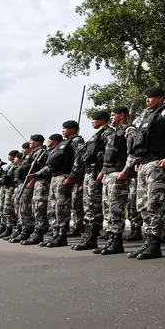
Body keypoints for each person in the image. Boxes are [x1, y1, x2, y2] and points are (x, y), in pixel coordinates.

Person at [122, 87, 165, 260]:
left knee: (154, 204)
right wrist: (135, 163)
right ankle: (147, 241)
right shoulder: (147, 117)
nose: (147, 100)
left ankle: (155, 244)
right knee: (142, 205)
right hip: (143, 164)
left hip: (157, 162)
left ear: (161, 97)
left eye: (151, 97)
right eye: (146, 97)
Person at [97, 106, 134, 255]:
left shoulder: (129, 130)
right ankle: (111, 239)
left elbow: (133, 152)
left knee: (116, 208)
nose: (111, 118)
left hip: (118, 174)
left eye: (113, 115)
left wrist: (125, 171)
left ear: (122, 115)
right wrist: (103, 172)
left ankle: (117, 241)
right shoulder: (112, 133)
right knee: (108, 209)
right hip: (108, 174)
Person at [72, 110, 110, 251]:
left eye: (96, 119)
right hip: (88, 173)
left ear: (102, 120)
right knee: (88, 206)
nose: (93, 121)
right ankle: (88, 236)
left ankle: (91, 238)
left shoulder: (107, 133)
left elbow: (109, 153)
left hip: (96, 172)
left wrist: (103, 170)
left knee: (93, 206)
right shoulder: (97, 134)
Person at [22, 134, 52, 246]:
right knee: (34, 208)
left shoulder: (41, 152)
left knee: (39, 208)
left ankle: (39, 234)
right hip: (35, 180)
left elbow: (41, 168)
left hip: (40, 181)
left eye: (32, 141)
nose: (30, 142)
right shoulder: (33, 153)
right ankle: (34, 232)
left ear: (38, 142)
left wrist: (33, 180)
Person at [62, 120, 86, 236]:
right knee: (71, 203)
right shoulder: (67, 142)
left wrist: (73, 176)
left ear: (72, 130)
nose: (63, 131)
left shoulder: (77, 140)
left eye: (65, 128)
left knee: (77, 203)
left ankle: (79, 226)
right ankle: (75, 226)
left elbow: (79, 159)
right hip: (68, 175)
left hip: (76, 177)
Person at [10, 142, 35, 243]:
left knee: (25, 209)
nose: (22, 150)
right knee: (20, 209)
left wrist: (32, 181)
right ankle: (20, 229)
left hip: (27, 184)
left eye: (24, 148)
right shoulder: (26, 158)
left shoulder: (34, 156)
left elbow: (34, 169)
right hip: (20, 184)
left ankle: (26, 231)